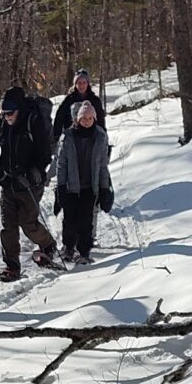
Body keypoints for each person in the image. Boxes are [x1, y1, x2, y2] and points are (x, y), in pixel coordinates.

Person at [0, 85, 58, 280]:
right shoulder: (3, 124)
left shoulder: (34, 121)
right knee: (8, 225)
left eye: (10, 113)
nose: (7, 117)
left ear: (19, 109)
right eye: (4, 114)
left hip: (29, 183)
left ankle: (48, 244)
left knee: (28, 223)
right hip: (8, 181)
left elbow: (44, 154)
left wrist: (33, 172)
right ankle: (12, 266)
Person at [53, 98, 113, 263]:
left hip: (89, 187)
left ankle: (84, 252)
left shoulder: (100, 137)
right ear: (77, 119)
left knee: (86, 221)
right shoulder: (68, 137)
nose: (86, 122)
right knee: (70, 220)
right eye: (83, 119)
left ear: (94, 119)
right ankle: (69, 247)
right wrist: (61, 187)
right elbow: (61, 164)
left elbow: (102, 166)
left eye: (89, 118)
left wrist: (104, 188)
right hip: (71, 186)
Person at [53, 68, 107, 144]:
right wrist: (57, 135)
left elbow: (101, 120)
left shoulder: (95, 100)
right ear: (75, 84)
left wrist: (103, 137)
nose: (82, 85)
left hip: (91, 137)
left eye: (84, 82)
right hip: (72, 138)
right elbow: (59, 118)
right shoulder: (69, 100)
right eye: (79, 83)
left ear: (88, 84)